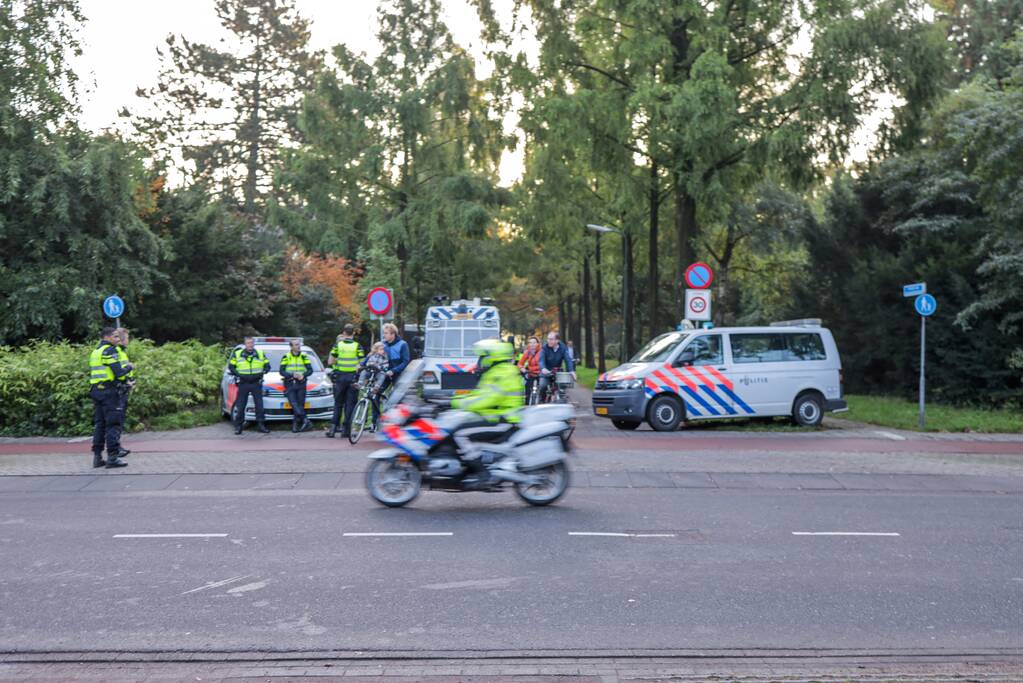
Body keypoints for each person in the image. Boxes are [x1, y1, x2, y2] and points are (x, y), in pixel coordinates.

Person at [450, 339, 524, 489]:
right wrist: (457, 399)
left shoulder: (502, 374)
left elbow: (487, 399)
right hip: (496, 417)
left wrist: (458, 403)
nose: (480, 361)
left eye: (483, 357)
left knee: (460, 434)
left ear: (493, 357)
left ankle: (483, 475)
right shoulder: (498, 371)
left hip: (502, 420)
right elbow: (481, 394)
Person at [89, 326, 132, 468]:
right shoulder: (109, 350)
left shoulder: (96, 351)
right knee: (113, 423)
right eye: (115, 336)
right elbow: (119, 373)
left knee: (99, 424)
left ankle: (97, 457)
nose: (117, 339)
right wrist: (130, 367)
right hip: (109, 392)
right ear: (106, 337)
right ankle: (113, 457)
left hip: (97, 390)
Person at [326, 324, 363, 438]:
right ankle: (346, 431)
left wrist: (339, 360)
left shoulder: (338, 345)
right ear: (353, 333)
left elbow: (330, 362)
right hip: (352, 378)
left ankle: (332, 430)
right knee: (350, 404)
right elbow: (361, 364)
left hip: (340, 377)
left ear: (343, 333)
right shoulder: (358, 346)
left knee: (338, 403)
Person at [229, 336, 270, 435]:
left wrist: (263, 372)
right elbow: (231, 367)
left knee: (259, 406)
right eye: (248, 343)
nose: (250, 345)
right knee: (241, 406)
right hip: (243, 383)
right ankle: (238, 427)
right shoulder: (237, 354)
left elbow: (267, 366)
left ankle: (261, 425)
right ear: (245, 344)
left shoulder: (260, 353)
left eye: (251, 343)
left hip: (256, 383)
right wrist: (239, 375)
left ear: (253, 344)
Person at [280, 339, 313, 433]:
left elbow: (310, 370)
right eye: (296, 345)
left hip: (301, 383)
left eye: (299, 345)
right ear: (291, 346)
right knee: (294, 403)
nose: (298, 346)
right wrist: (292, 375)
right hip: (290, 383)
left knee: (300, 405)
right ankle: (306, 421)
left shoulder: (304, 356)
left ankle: (295, 426)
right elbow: (281, 371)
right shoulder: (286, 356)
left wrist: (303, 375)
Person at [112, 327, 136, 458]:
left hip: (124, 388)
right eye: (127, 338)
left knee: (119, 420)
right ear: (121, 340)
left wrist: (131, 381)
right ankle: (116, 447)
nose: (128, 341)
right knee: (117, 420)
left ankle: (117, 446)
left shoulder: (122, 352)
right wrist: (126, 382)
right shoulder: (116, 352)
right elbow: (118, 372)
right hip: (118, 390)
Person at [358, 342, 390, 431]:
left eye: (383, 349)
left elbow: (386, 366)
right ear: (376, 350)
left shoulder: (384, 357)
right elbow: (364, 363)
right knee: (363, 372)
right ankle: (360, 383)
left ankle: (377, 387)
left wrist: (385, 369)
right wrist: (361, 366)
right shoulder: (370, 356)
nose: (383, 351)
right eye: (381, 349)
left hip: (378, 373)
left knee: (382, 375)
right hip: (370, 372)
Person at [538, 331, 576, 402]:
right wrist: (543, 368)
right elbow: (541, 360)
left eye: (551, 339)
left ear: (557, 340)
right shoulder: (544, 348)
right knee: (543, 386)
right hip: (546, 371)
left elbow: (568, 360)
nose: (549, 341)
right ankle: (541, 401)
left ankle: (561, 401)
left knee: (562, 388)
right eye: (548, 339)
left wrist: (571, 371)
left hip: (557, 371)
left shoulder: (563, 347)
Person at [517, 335, 542, 403]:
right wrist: (522, 369)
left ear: (538, 343)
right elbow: (520, 363)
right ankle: (527, 404)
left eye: (534, 342)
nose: (532, 344)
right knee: (527, 389)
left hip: (540, 374)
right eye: (530, 342)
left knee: (543, 389)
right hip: (530, 373)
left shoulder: (542, 352)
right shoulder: (527, 352)